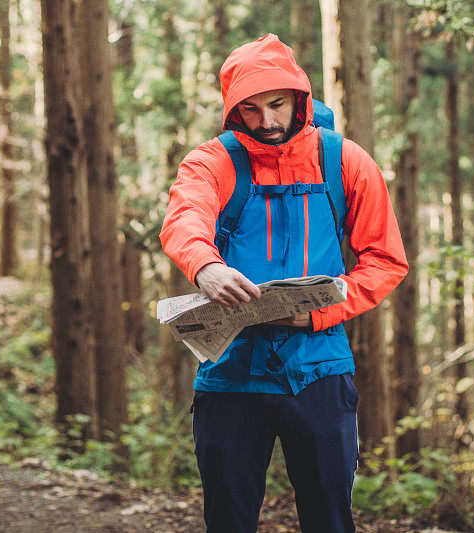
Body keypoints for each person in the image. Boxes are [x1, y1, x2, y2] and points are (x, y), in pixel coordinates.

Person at [160, 33, 408, 533]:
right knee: (228, 520)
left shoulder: (346, 162)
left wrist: (319, 313)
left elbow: (385, 260)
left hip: (319, 371)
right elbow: (185, 215)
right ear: (234, 111)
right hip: (230, 374)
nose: (268, 122)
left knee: (329, 519)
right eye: (251, 110)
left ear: (301, 96)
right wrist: (206, 266)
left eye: (277, 104)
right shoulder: (212, 162)